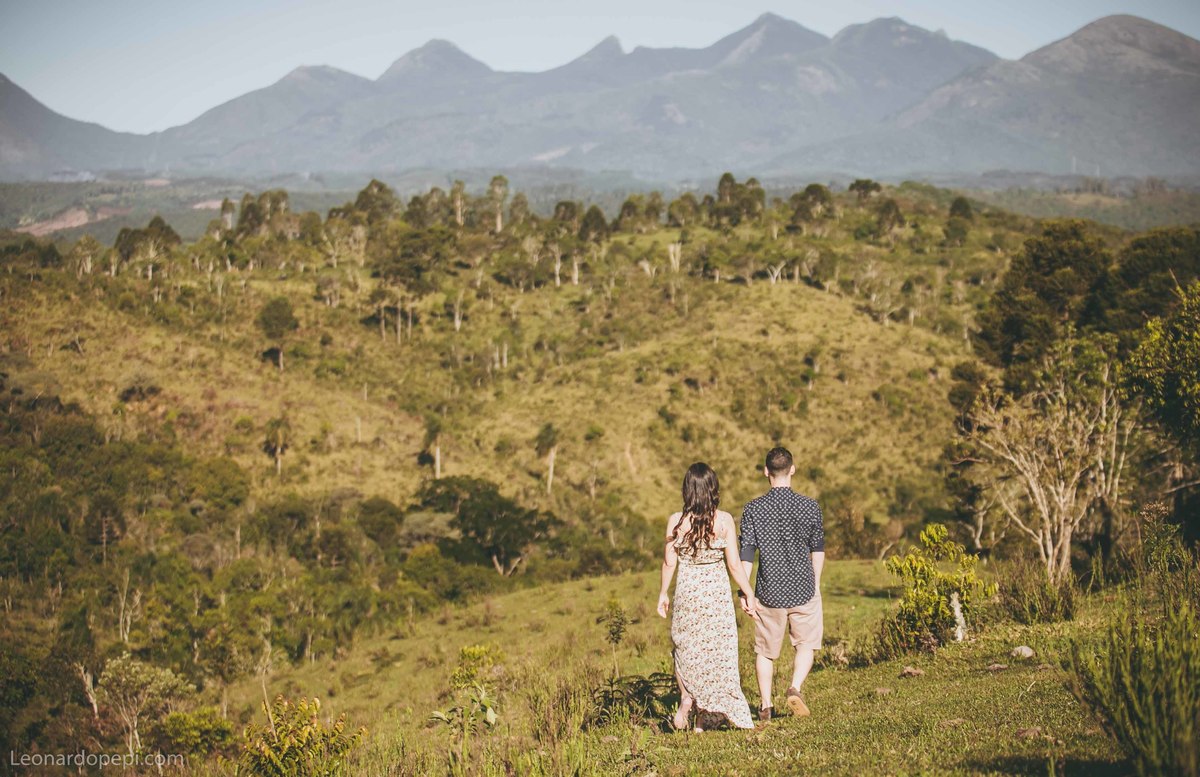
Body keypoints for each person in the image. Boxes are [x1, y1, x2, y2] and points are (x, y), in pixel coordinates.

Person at [656, 462, 758, 731]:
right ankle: (707, 714)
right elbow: (735, 565)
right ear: (713, 489)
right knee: (718, 652)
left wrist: (663, 593)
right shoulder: (723, 520)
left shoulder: (676, 522)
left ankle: (689, 698)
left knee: (686, 649)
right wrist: (749, 594)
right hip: (715, 594)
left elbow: (669, 563)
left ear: (687, 490)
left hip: (688, 592)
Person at [738, 447, 825, 721]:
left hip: (768, 591)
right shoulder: (810, 506)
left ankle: (765, 706)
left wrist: (745, 591)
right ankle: (795, 687)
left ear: (766, 472)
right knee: (806, 645)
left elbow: (747, 555)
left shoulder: (753, 509)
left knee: (765, 652)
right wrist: (816, 583)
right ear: (793, 469)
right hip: (803, 587)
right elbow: (818, 550)